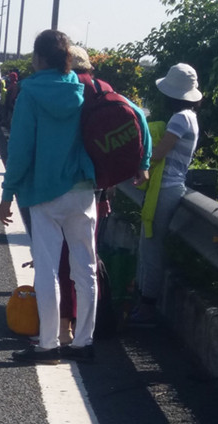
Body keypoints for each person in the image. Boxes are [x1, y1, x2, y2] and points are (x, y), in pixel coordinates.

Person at [0, 30, 97, 364]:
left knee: (48, 269)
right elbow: (136, 117)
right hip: (83, 190)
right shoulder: (82, 89)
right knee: (85, 269)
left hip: (44, 193)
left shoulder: (30, 93)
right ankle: (84, 342)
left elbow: (21, 149)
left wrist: (7, 193)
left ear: (38, 59)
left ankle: (49, 344)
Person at [56, 46, 151, 344]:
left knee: (63, 259)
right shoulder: (107, 92)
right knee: (87, 259)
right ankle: (88, 326)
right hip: (100, 188)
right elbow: (140, 121)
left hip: (67, 185)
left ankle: (64, 324)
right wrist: (143, 164)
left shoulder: (66, 91)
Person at [130, 63, 202, 327]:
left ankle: (147, 305)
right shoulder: (191, 117)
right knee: (150, 244)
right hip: (173, 186)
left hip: (165, 188)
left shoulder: (179, 118)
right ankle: (144, 300)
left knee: (151, 245)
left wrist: (138, 161)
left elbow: (158, 152)